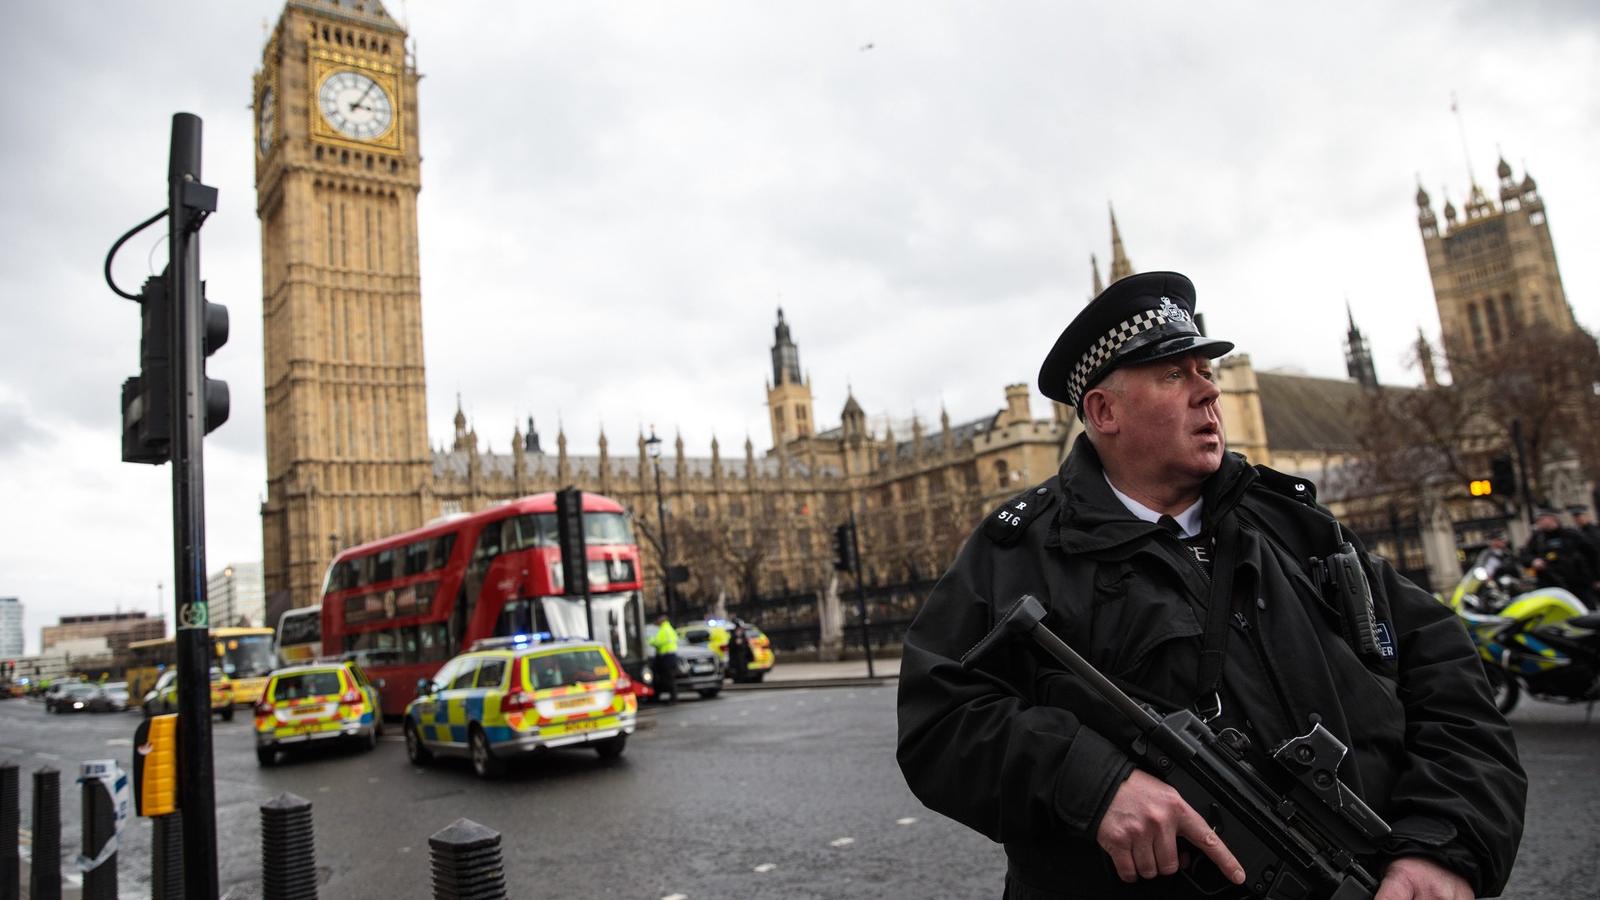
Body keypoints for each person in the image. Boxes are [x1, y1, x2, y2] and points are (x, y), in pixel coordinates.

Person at [896, 272, 1526, 900]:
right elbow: (940, 723)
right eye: (1175, 374)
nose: (1208, 391)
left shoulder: (1296, 525)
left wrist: (1442, 847)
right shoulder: (1017, 552)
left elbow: (1446, 676)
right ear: (1103, 411)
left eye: (1206, 370)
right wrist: (1093, 782)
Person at [1522, 508, 1598, 606]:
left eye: (1543, 519)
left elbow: (1592, 555)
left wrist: (1596, 578)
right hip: (1550, 584)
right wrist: (1533, 561)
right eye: (1539, 520)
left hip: (1577, 583)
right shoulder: (1537, 539)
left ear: (1553, 519)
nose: (1540, 523)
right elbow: (1524, 557)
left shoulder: (1571, 535)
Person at [649, 612, 679, 704]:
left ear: (662, 621)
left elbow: (657, 642)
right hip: (671, 656)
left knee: (667, 678)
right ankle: (672, 697)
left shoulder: (663, 630)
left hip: (666, 657)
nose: (657, 622)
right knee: (669, 678)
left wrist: (650, 641)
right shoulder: (670, 629)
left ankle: (672, 698)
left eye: (658, 620)